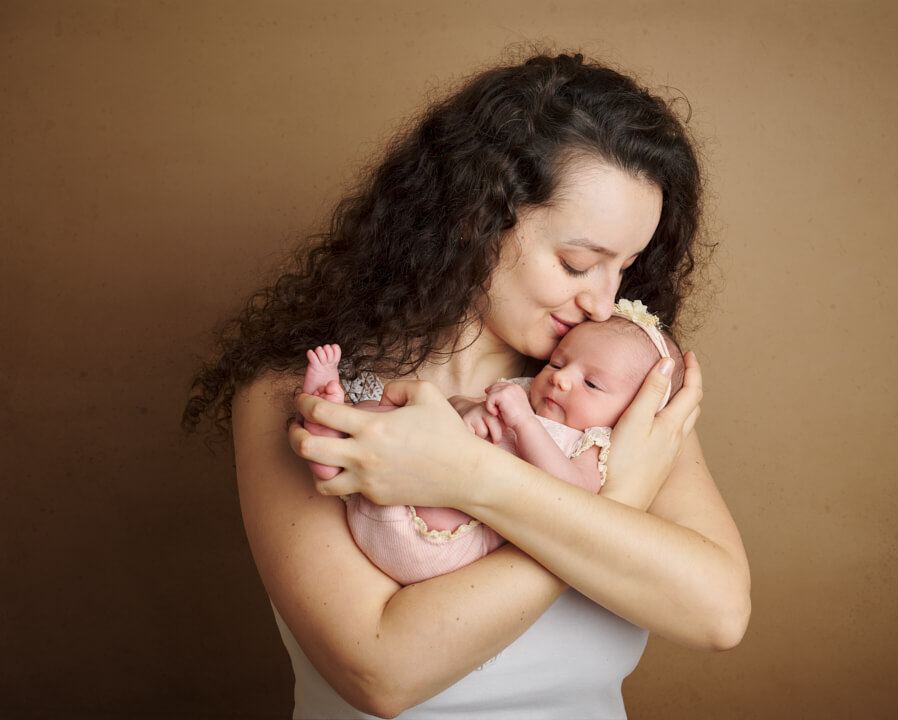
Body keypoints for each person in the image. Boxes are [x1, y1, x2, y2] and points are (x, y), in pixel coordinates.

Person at [184, 51, 750, 719]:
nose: (604, 303)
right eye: (577, 263)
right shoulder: (301, 394)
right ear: (471, 220)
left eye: (623, 269)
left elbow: (718, 613)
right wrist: (611, 500)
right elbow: (381, 671)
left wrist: (474, 480)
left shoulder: (607, 392)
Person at [301, 300, 687, 585]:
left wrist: (521, 420)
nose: (561, 379)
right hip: (380, 498)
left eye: (591, 383)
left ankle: (333, 436)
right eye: (556, 363)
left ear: (634, 411)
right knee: (381, 412)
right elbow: (445, 422)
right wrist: (468, 409)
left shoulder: (594, 445)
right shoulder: (526, 392)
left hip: (437, 540)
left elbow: (572, 498)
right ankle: (332, 430)